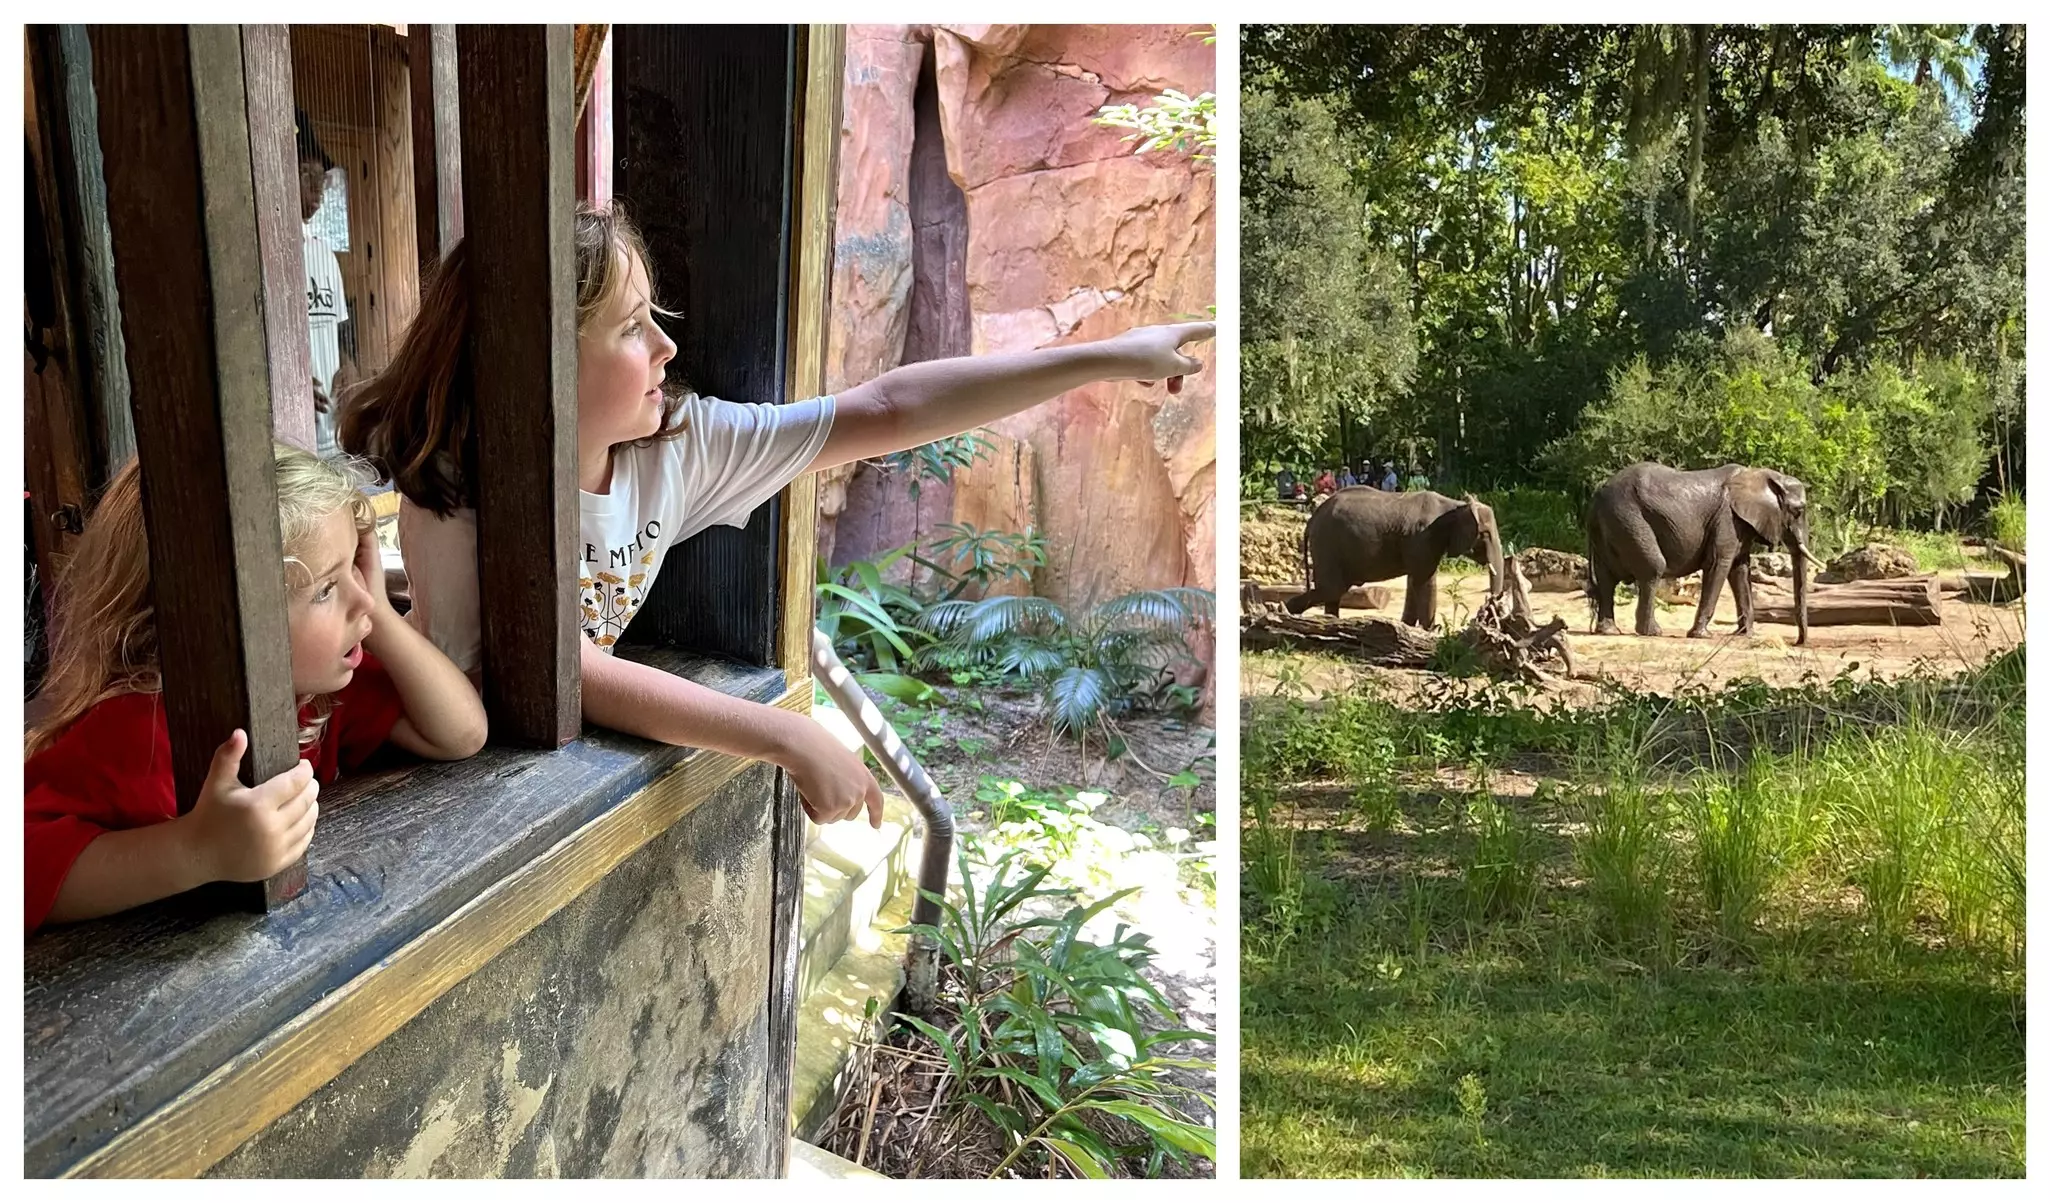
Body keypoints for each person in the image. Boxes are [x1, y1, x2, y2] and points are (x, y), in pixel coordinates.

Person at [343, 202, 1212, 832]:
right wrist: (785, 734)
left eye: (659, 319)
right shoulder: (454, 488)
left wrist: (1104, 357)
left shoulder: (677, 445)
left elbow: (887, 410)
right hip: (425, 762)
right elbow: (562, 666)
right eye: (632, 328)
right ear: (541, 364)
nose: (666, 349)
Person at [23, 446, 487, 932]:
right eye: (325, 590)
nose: (361, 598)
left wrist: (383, 620)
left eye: (354, 565)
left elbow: (461, 733)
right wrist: (193, 851)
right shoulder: (141, 732)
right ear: (222, 623)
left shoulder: (314, 694)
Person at [297, 111, 356, 461]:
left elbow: (342, 329)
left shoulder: (324, 254)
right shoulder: (262, 262)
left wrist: (350, 370)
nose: (317, 187)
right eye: (306, 175)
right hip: (292, 440)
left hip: (333, 436)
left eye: (321, 177)